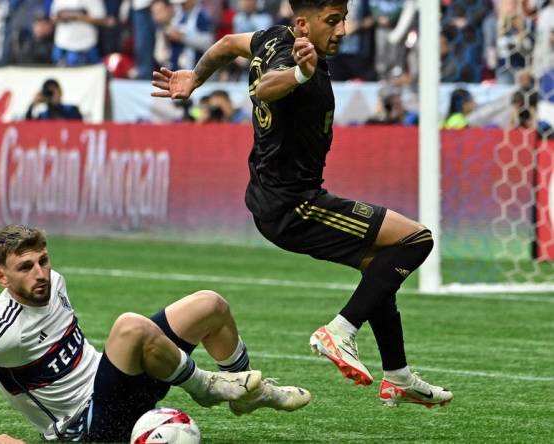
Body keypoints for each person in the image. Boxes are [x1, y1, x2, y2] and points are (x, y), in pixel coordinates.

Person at [151, 0, 453, 408]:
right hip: (295, 205)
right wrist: (301, 73)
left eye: (343, 18)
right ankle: (340, 331)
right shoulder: (297, 66)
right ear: (302, 24)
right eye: (332, 21)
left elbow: (224, 44)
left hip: (274, 198)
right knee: (417, 239)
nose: (342, 30)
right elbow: (265, 87)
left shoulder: (269, 38)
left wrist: (195, 79)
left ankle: (397, 374)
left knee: (380, 267)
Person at [0, 225, 311, 443]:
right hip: (88, 428)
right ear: (1, 278)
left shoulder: (56, 284)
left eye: (43, 260)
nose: (40, 273)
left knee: (210, 305)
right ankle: (208, 386)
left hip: (117, 391)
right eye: (25, 267)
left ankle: (248, 394)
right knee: (128, 326)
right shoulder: (0, 332)